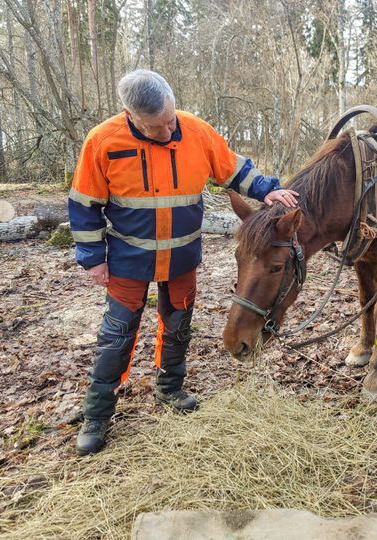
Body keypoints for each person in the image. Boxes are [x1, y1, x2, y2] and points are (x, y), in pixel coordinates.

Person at [68, 69, 298, 456]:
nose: (167, 130)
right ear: (130, 114)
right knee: (117, 335)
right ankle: (97, 414)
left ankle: (170, 387)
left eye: (170, 119)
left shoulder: (196, 131)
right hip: (128, 258)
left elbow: (234, 169)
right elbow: (83, 204)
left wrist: (269, 190)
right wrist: (92, 258)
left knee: (177, 326)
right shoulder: (103, 141)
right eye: (156, 126)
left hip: (181, 256)